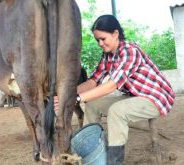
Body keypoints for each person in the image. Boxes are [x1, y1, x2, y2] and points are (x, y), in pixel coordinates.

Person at [55, 14, 175, 165]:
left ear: (116, 33)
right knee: (92, 104)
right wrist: (68, 96)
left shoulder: (129, 51)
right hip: (135, 96)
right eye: (97, 40)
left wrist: (77, 99)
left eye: (103, 39)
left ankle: (114, 162)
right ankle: (91, 151)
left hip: (156, 98)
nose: (100, 43)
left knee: (117, 111)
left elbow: (111, 85)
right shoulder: (107, 56)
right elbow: (93, 81)